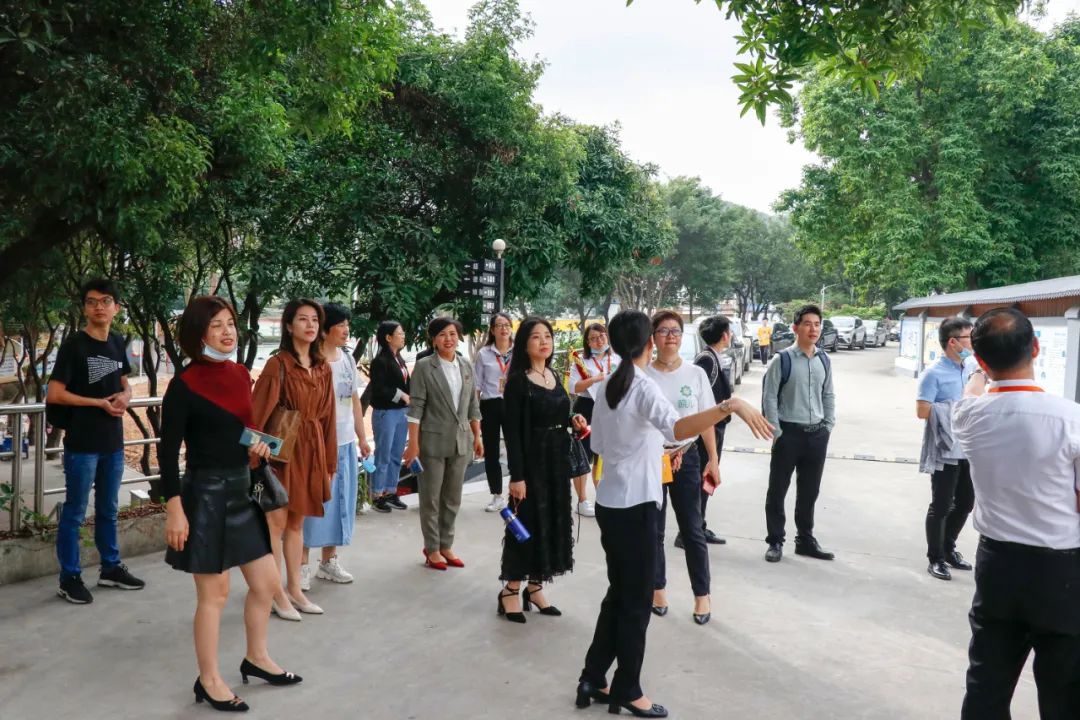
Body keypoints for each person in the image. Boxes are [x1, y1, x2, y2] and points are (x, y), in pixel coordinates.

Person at [575, 310, 772, 718]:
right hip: (637, 506)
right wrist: (729, 405)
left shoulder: (609, 383)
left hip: (610, 501)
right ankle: (628, 688)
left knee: (619, 593)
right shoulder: (642, 386)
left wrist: (643, 450)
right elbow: (677, 428)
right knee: (636, 601)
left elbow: (598, 445)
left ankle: (593, 676)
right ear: (649, 342)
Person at [161, 296, 301, 712]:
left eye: (230, 323)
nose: (227, 332)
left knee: (267, 583)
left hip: (241, 492)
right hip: (204, 496)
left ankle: (256, 657)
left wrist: (256, 446)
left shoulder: (240, 374)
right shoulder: (184, 385)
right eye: (216, 325)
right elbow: (167, 453)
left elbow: (241, 428)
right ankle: (208, 680)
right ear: (198, 333)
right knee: (215, 594)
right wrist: (174, 507)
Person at [953, 308, 1080, 720]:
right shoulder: (1071, 419)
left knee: (987, 685)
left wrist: (978, 373)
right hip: (1061, 573)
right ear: (1036, 348)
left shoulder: (968, 416)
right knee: (1065, 691)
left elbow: (973, 392)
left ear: (981, 360)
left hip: (998, 567)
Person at [47, 278, 145, 604]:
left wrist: (126, 395)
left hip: (112, 443)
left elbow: (123, 381)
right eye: (91, 302)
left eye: (105, 301)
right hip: (82, 443)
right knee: (75, 512)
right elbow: (55, 393)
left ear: (116, 307)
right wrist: (97, 403)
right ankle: (69, 578)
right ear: (84, 308)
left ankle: (111, 568)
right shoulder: (74, 346)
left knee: (108, 509)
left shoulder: (116, 341)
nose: (99, 307)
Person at [496, 317, 587, 623]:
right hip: (531, 465)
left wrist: (573, 420)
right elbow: (512, 433)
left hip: (556, 463)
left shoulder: (552, 375)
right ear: (524, 344)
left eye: (547, 336)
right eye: (536, 337)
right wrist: (517, 476)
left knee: (552, 522)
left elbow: (558, 412)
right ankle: (510, 590)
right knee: (525, 526)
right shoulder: (518, 382)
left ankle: (535, 588)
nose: (544, 341)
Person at [252, 299, 337, 620]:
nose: (310, 325)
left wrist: (329, 463)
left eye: (315, 320)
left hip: (311, 450)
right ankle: (276, 593)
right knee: (276, 523)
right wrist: (255, 458)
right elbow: (256, 414)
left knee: (297, 523)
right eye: (302, 319)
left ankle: (294, 590)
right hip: (282, 453)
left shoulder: (323, 367)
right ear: (289, 326)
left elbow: (328, 418)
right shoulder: (278, 365)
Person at [644, 310, 719, 625]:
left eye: (675, 331)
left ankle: (702, 595)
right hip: (652, 460)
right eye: (663, 331)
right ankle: (657, 588)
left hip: (686, 458)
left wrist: (712, 459)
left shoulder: (695, 374)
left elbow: (707, 421)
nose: (670, 337)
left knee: (692, 529)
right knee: (654, 530)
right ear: (653, 338)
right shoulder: (644, 375)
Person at [299, 303, 371, 589]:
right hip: (318, 444)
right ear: (325, 329)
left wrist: (361, 438)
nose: (346, 330)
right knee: (313, 504)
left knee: (341, 501)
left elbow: (354, 401)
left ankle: (329, 561)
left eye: (347, 325)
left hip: (345, 442)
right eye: (340, 325)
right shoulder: (311, 361)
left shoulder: (347, 359)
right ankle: (301, 565)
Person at [402, 317, 482, 571]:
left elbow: (472, 405)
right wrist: (413, 444)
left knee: (452, 498)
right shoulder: (425, 366)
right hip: (432, 442)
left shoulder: (466, 365)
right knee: (431, 498)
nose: (448, 339)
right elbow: (416, 407)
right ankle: (432, 548)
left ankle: (446, 545)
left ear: (459, 336)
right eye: (442, 335)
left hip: (461, 441)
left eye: (452, 334)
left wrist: (477, 435)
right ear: (434, 340)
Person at [760, 304, 837, 564]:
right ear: (796, 328)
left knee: (809, 491)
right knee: (777, 490)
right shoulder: (781, 360)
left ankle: (805, 540)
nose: (813, 329)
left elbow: (828, 393)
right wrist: (777, 431)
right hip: (788, 434)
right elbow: (769, 397)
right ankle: (775, 541)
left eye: (817, 324)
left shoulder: (823, 359)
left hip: (817, 435)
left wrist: (828, 424)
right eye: (807, 324)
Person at [915, 317, 976, 581]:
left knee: (966, 502)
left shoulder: (970, 368)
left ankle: (949, 548)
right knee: (941, 505)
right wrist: (955, 409)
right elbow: (922, 410)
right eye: (969, 338)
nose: (973, 343)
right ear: (953, 342)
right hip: (945, 448)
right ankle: (936, 558)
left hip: (969, 447)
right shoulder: (933, 374)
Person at [687, 315, 734, 548]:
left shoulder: (712, 357)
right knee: (702, 477)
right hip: (708, 430)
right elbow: (701, 400)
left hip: (714, 427)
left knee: (705, 479)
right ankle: (691, 531)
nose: (731, 335)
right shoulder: (707, 359)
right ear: (724, 335)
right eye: (729, 331)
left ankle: (698, 526)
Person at [567, 323, 619, 517]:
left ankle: (603, 497)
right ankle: (582, 501)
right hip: (587, 409)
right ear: (588, 342)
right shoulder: (581, 361)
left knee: (603, 457)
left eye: (602, 336)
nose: (599, 341)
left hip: (611, 409)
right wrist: (595, 379)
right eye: (594, 338)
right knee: (583, 456)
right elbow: (573, 387)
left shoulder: (617, 358)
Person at [367, 320, 411, 513]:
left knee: (396, 454)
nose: (403, 336)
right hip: (386, 412)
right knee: (383, 455)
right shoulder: (380, 361)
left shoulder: (398, 358)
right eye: (399, 333)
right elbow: (379, 388)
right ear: (388, 337)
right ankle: (377, 495)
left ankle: (391, 491)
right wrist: (401, 395)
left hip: (402, 413)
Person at [474, 312, 514, 513]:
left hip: (513, 404)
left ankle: (516, 492)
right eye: (499, 325)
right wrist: (473, 412)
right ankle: (497, 495)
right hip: (490, 404)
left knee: (515, 448)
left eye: (507, 325)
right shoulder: (484, 353)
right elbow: (477, 385)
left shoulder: (520, 352)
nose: (504, 329)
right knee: (491, 451)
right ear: (492, 330)